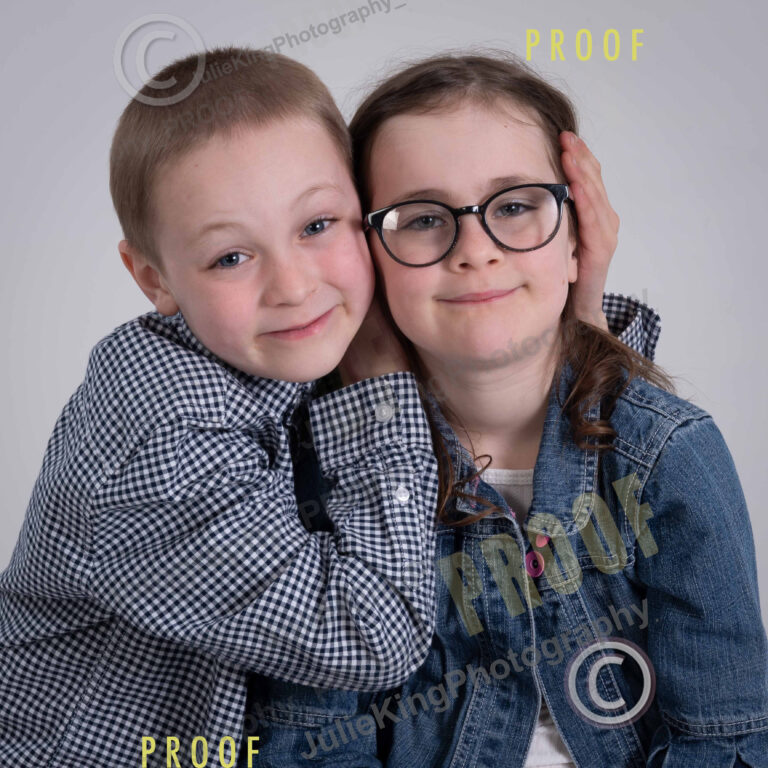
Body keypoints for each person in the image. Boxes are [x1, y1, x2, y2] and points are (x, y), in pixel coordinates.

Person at [247, 52, 768, 767]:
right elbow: (308, 744)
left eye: (516, 206)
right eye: (421, 217)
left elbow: (723, 738)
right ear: (366, 259)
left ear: (579, 238)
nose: (475, 250)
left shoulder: (669, 455)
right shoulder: (322, 473)